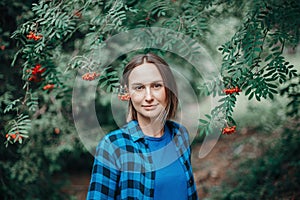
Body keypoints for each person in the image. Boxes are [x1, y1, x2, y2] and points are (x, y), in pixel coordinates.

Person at [87, 53, 198, 200]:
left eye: (156, 86)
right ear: (128, 93)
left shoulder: (180, 135)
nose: (149, 96)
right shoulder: (113, 146)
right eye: (139, 88)